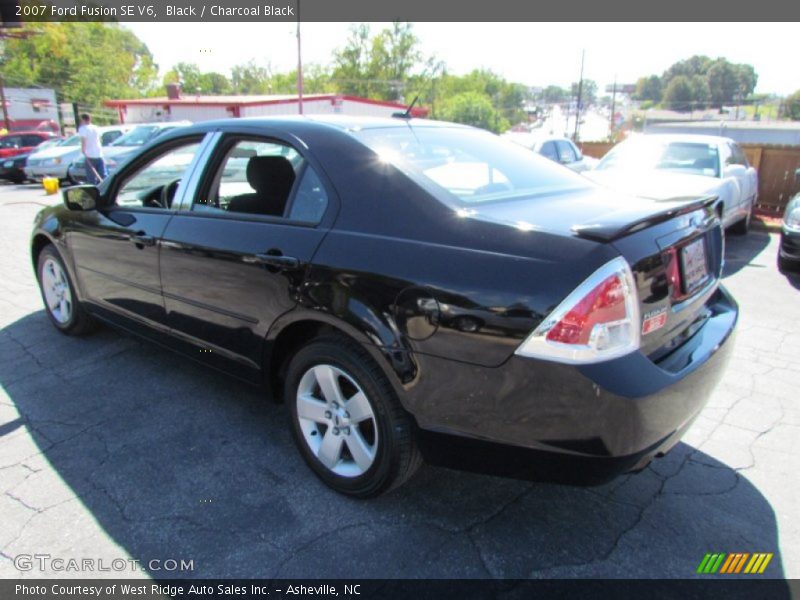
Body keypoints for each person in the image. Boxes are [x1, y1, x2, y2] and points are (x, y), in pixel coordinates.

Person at [78, 113, 106, 184]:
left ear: (83, 120)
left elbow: (83, 140)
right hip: (99, 153)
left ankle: (94, 190)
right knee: (103, 174)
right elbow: (100, 139)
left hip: (89, 155)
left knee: (91, 177)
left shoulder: (83, 129)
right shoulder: (96, 127)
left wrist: (83, 150)